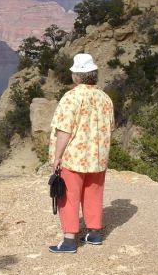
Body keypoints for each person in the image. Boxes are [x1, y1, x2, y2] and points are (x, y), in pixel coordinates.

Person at [48, 53, 114, 253]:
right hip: (98, 157)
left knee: (68, 196)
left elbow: (64, 130)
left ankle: (69, 241)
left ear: (77, 76)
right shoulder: (105, 98)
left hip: (74, 157)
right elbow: (111, 127)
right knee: (94, 193)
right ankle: (94, 234)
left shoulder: (71, 97)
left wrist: (57, 157)